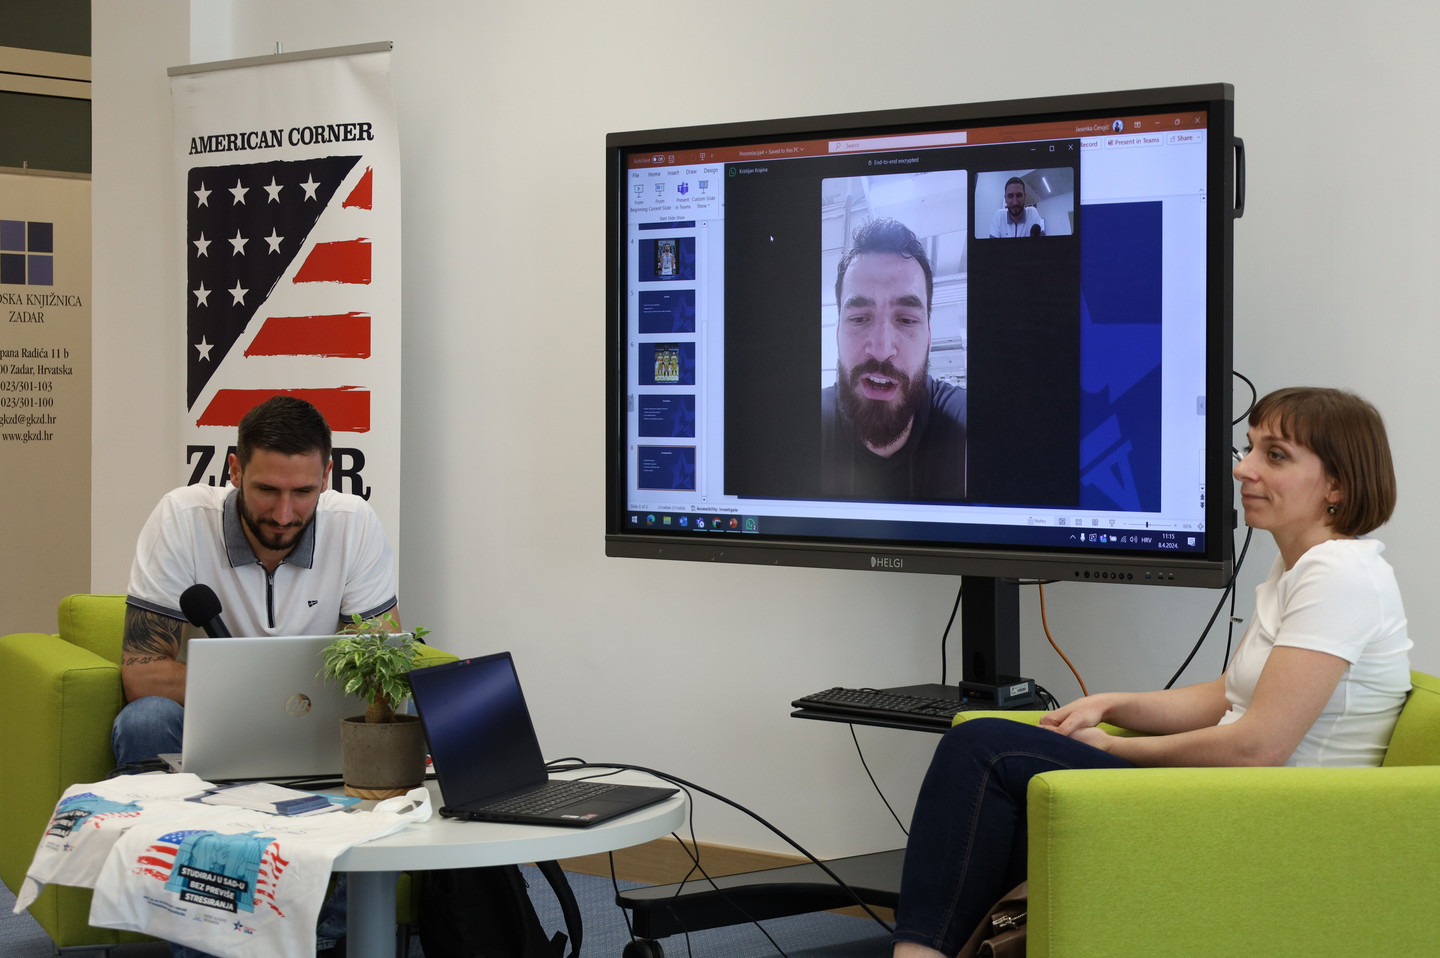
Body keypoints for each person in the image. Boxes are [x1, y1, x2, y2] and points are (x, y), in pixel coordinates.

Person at [892, 386, 1411, 958]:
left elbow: (1257, 747)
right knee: (1011, 791)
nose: (1243, 469)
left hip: (1275, 819)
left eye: (1275, 455)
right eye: (1249, 448)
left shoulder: (1339, 574)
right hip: (1238, 797)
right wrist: (1111, 704)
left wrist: (1118, 749)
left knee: (984, 748)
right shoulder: (1297, 567)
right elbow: (1226, 695)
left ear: (1337, 485)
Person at [111, 396, 397, 958]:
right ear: (235, 471)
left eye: (303, 492)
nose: (284, 514)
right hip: (212, 734)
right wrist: (259, 697)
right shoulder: (181, 519)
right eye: (267, 490)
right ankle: (204, 940)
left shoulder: (354, 524)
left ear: (327, 477)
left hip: (317, 733)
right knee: (145, 720)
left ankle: (324, 933)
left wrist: (282, 698)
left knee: (396, 732)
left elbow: (379, 675)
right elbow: (142, 675)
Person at [820, 217, 967, 500]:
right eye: (859, 318)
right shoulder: (803, 427)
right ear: (838, 333)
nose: (881, 349)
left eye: (906, 320)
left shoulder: (961, 424)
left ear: (929, 338)